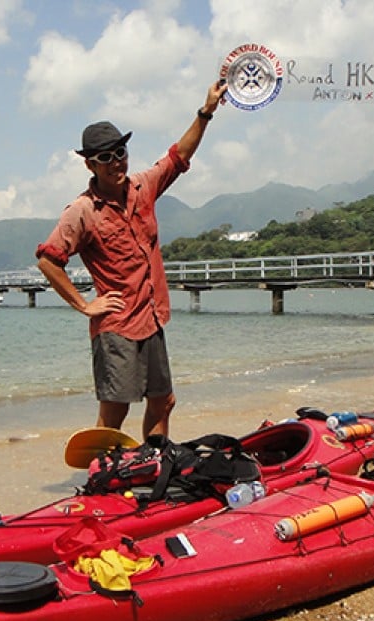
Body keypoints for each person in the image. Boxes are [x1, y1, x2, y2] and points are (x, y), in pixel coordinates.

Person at [36, 80, 228, 440]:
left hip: (151, 318)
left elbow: (178, 157)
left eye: (120, 153)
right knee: (115, 411)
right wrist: (84, 305)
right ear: (90, 164)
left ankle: (155, 461)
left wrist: (206, 111)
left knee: (163, 401)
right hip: (117, 327)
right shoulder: (82, 211)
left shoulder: (143, 187)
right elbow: (48, 260)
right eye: (105, 158)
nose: (115, 163)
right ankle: (101, 470)